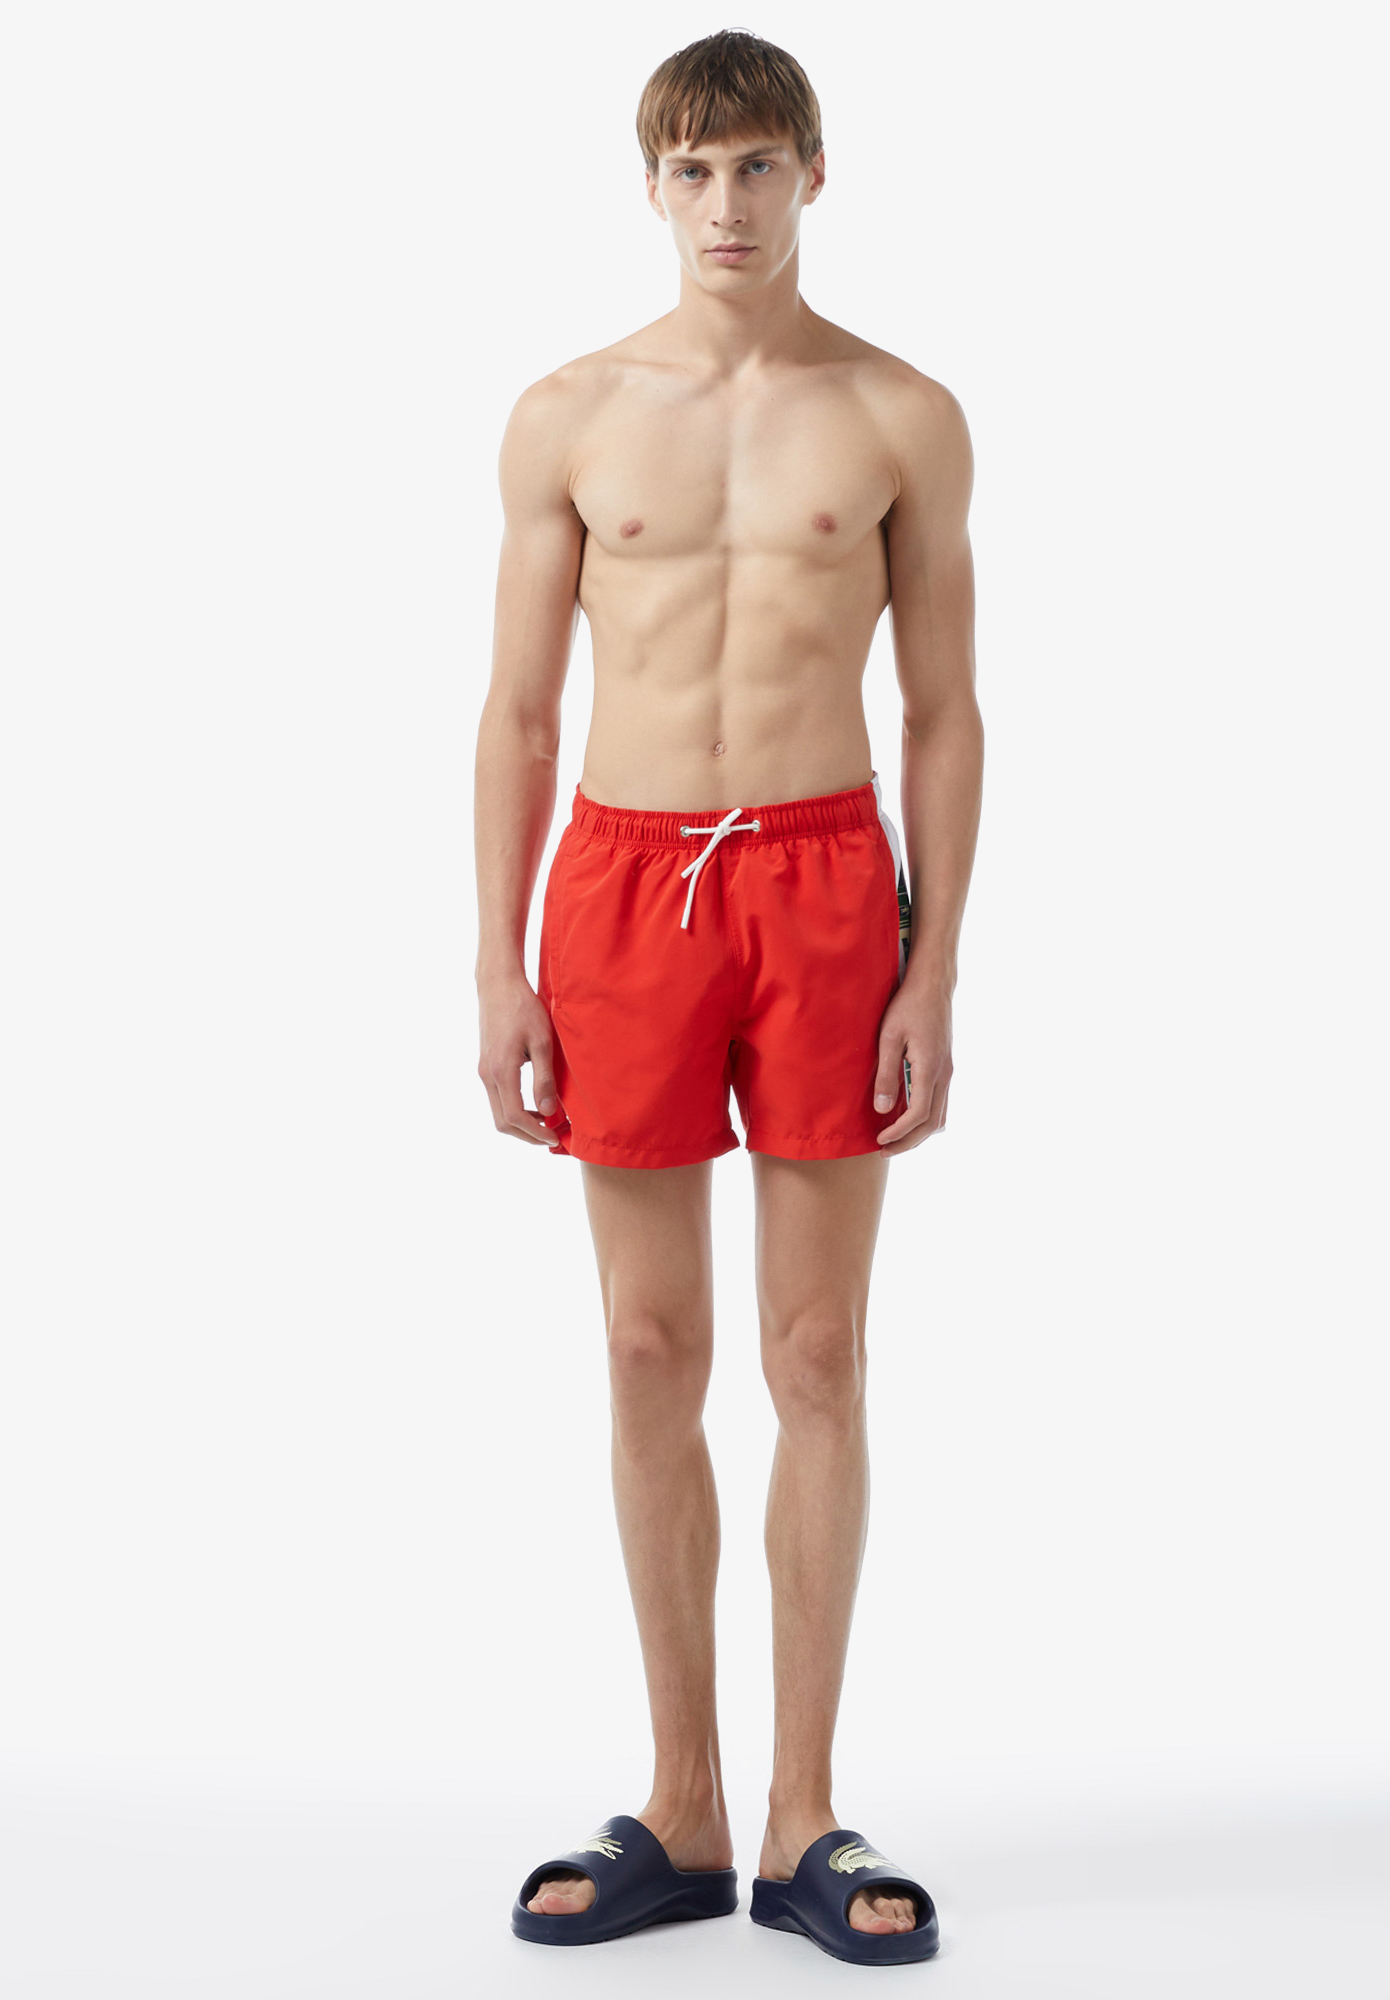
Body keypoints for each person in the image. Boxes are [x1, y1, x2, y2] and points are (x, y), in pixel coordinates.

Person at [474, 29, 981, 1968]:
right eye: (692, 171)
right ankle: (682, 1807)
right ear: (650, 189)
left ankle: (801, 1815)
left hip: (826, 881)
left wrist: (936, 962)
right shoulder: (568, 414)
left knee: (819, 1352)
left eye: (758, 166)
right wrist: (498, 958)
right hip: (623, 887)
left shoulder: (901, 414)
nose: (726, 205)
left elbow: (943, 713)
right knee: (643, 1348)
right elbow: (520, 713)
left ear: (815, 177)